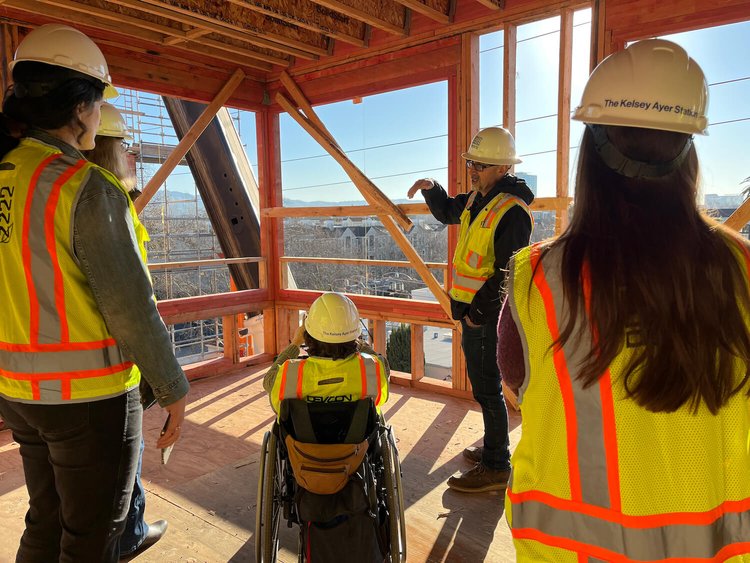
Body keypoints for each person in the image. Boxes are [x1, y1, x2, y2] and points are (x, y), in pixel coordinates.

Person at [499, 39, 750, 560]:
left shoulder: (535, 281)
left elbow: (518, 392)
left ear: (590, 157)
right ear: (689, 155)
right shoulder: (744, 270)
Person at [0, 24, 189, 562]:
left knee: (47, 520)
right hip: (88, 398)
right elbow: (129, 306)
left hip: (18, 390)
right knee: (91, 540)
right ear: (83, 109)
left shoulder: (7, 175)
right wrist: (173, 389)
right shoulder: (82, 186)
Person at [406, 127, 534, 493]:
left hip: (484, 316)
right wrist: (431, 188)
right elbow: (448, 211)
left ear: (501, 168)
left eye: (478, 164)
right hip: (471, 312)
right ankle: (495, 449)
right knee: (485, 389)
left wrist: (477, 313)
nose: (472, 170)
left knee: (488, 390)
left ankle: (496, 465)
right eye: (470, 163)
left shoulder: (512, 211)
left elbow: (507, 273)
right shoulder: (479, 199)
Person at [83, 102, 166, 560]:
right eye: (127, 148)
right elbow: (131, 302)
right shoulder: (102, 202)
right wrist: (170, 383)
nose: (134, 157)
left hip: (38, 381)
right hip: (105, 371)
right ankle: (127, 531)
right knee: (112, 486)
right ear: (109, 151)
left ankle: (131, 527)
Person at [263, 292, 389, 413]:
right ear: (355, 335)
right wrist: (355, 339)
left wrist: (295, 343)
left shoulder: (291, 373)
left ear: (308, 335)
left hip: (301, 435)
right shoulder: (372, 369)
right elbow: (384, 365)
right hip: (361, 435)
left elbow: (268, 381)